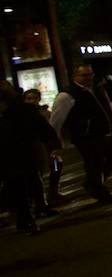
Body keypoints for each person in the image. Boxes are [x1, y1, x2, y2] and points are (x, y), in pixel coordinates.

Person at [48, 63, 112, 203]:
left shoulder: (95, 89)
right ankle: (98, 189)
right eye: (84, 75)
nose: (88, 78)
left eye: (90, 74)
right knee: (94, 162)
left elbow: (106, 110)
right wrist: (54, 141)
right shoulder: (67, 95)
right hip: (85, 135)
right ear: (75, 76)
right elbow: (56, 119)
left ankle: (94, 183)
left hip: (102, 132)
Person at [1, 83, 60, 234]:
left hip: (21, 152)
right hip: (15, 152)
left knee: (23, 184)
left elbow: (42, 127)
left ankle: (27, 217)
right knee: (20, 185)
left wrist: (53, 144)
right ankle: (26, 217)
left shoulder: (23, 109)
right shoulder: (22, 109)